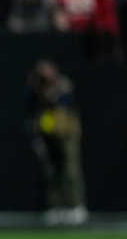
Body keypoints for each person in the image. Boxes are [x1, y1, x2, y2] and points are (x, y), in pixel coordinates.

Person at [27, 59, 88, 226]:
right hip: (49, 135)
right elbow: (31, 103)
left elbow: (67, 101)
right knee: (52, 172)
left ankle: (77, 206)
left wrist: (53, 92)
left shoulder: (63, 84)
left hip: (66, 133)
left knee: (71, 170)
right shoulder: (38, 87)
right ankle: (58, 206)